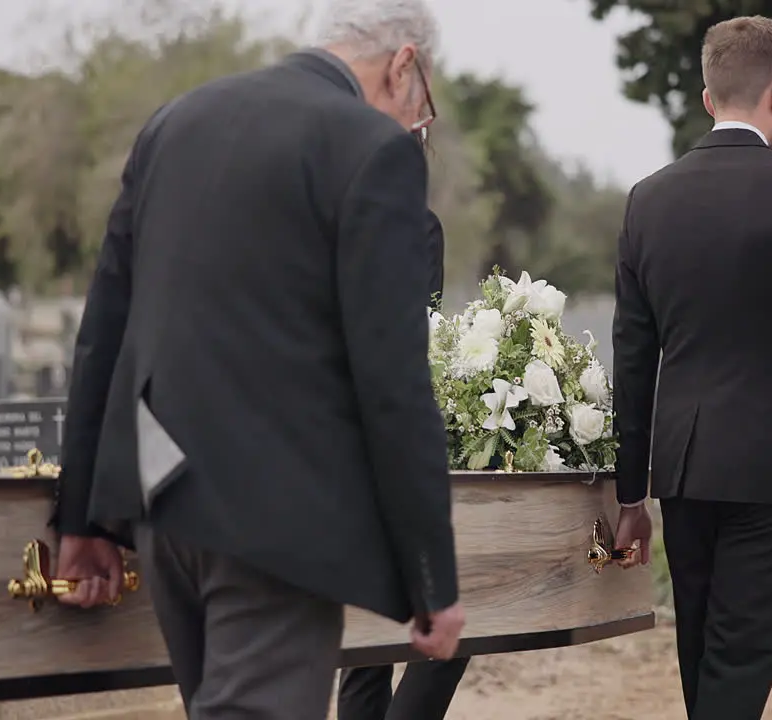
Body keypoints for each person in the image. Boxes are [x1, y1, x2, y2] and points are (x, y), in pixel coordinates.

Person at [48, 0, 465, 716]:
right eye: (422, 110)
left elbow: (106, 327)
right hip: (276, 520)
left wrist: (82, 516)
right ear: (404, 66)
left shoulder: (176, 121)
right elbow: (392, 382)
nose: (414, 128)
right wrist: (431, 577)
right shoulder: (372, 148)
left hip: (163, 503)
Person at [611, 16, 772, 720]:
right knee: (740, 656)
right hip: (771, 469)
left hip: (684, 470)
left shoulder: (648, 199)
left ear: (707, 97)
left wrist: (629, 495)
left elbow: (632, 358)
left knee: (700, 651)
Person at [336, 209, 471, 719]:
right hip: (381, 444)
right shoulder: (413, 223)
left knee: (367, 641)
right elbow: (414, 343)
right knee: (449, 623)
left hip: (326, 445)